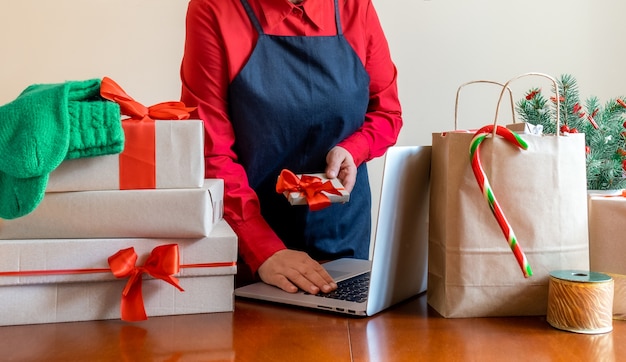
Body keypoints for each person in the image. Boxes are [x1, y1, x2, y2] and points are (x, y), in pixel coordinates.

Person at [180, 0, 402, 295]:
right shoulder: (214, 9)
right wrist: (263, 249)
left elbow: (386, 113)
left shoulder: (355, 7)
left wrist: (354, 149)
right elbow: (208, 149)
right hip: (254, 247)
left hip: (343, 240)